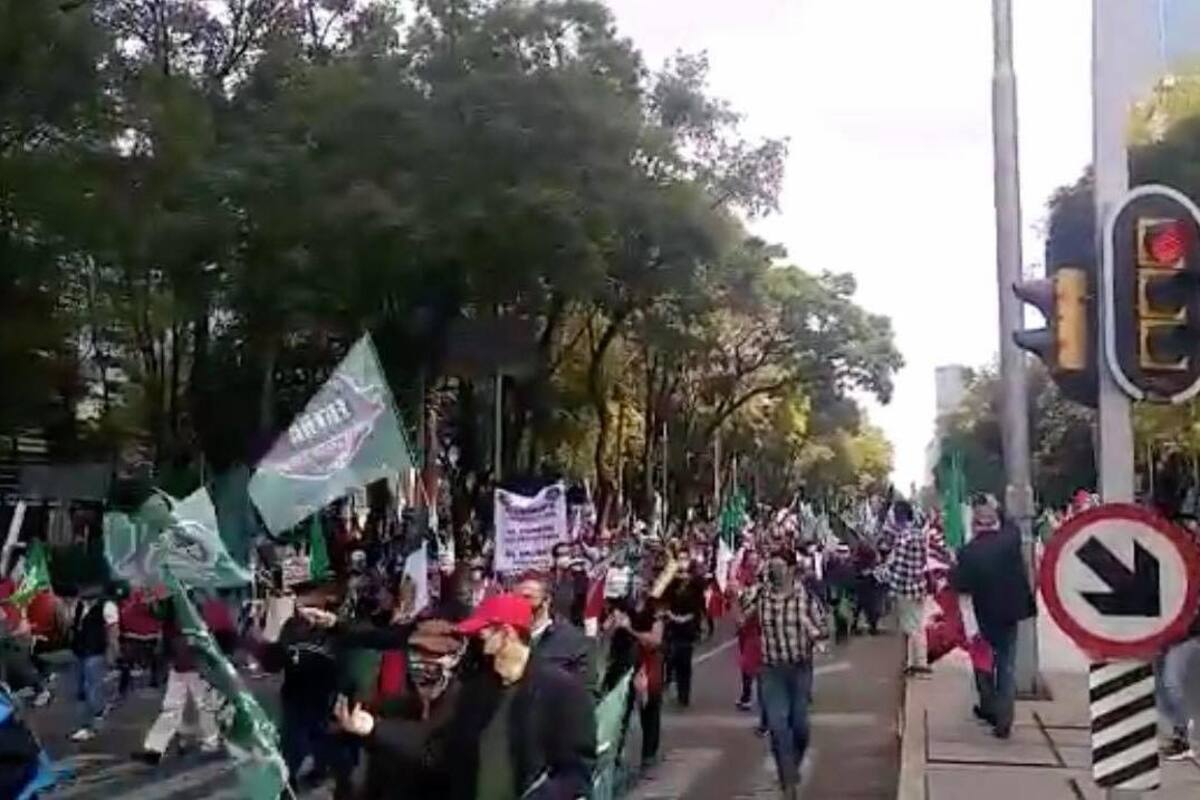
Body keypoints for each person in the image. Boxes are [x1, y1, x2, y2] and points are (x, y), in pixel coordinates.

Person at [338, 593, 595, 799]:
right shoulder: (476, 691)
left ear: (506, 634)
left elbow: (575, 774)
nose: (478, 638)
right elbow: (437, 748)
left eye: (484, 631)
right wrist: (374, 728)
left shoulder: (563, 691)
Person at [950, 502, 1035, 740]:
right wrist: (998, 507)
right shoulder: (1010, 540)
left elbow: (960, 586)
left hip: (984, 617)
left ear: (974, 525)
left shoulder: (968, 552)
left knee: (984, 662)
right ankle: (1004, 719)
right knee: (1006, 666)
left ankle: (989, 707)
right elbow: (1011, 523)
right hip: (1010, 614)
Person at [745, 549, 824, 800]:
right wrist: (737, 598)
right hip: (771, 671)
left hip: (800, 669)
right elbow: (740, 619)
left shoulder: (807, 597)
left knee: (800, 726)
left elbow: (821, 628)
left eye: (779, 567)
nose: (775, 572)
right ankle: (787, 779)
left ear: (791, 569)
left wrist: (817, 638)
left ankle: (792, 766)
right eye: (772, 567)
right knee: (779, 727)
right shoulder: (761, 596)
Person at [259, 582, 342, 790]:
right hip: (295, 693)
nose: (304, 605)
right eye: (301, 600)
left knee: (319, 735)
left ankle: (320, 770)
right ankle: (287, 781)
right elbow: (275, 661)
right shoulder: (290, 627)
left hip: (322, 693)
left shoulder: (335, 628)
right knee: (291, 740)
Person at [133, 596, 221, 764]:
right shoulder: (182, 602)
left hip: (193, 663)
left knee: (200, 705)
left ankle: (209, 742)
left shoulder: (186, 605)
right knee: (186, 706)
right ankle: (156, 748)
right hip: (185, 663)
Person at [514, 573, 596, 693]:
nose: (520, 604)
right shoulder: (506, 636)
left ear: (546, 600)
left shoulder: (574, 641)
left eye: (527, 597)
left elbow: (587, 693)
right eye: (516, 598)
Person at [874, 501, 929, 676]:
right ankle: (917, 662)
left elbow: (896, 567)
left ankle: (919, 664)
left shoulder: (904, 538)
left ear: (898, 516)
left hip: (907, 589)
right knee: (917, 625)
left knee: (911, 628)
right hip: (919, 586)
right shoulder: (918, 534)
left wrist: (884, 581)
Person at [67, 583, 120, 742]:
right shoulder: (79, 606)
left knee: (92, 688)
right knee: (81, 690)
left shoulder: (107, 606)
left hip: (96, 652)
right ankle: (88, 723)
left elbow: (112, 631)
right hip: (80, 652)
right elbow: (75, 626)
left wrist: (112, 651)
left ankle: (91, 724)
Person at [663, 561, 705, 707]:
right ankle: (670, 681)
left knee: (684, 663)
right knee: (671, 657)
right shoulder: (673, 587)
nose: (683, 575)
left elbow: (695, 610)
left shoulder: (695, 587)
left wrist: (680, 619)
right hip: (673, 628)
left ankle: (684, 694)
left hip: (687, 628)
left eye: (685, 572)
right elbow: (664, 597)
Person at [549, 543, 589, 628]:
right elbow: (566, 567)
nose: (566, 549)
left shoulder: (575, 559)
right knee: (565, 612)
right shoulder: (561, 560)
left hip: (573, 588)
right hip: (564, 590)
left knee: (576, 608)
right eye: (562, 551)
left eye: (566, 550)